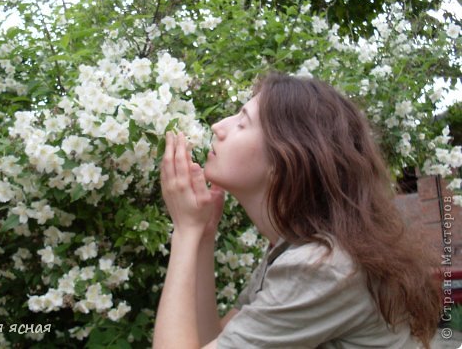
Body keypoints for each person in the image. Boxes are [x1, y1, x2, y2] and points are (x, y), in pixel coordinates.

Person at [153, 72, 442, 349]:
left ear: (285, 159)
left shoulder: (321, 266)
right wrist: (203, 234)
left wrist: (185, 231)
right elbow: (214, 340)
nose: (218, 126)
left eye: (242, 123)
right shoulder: (291, 249)